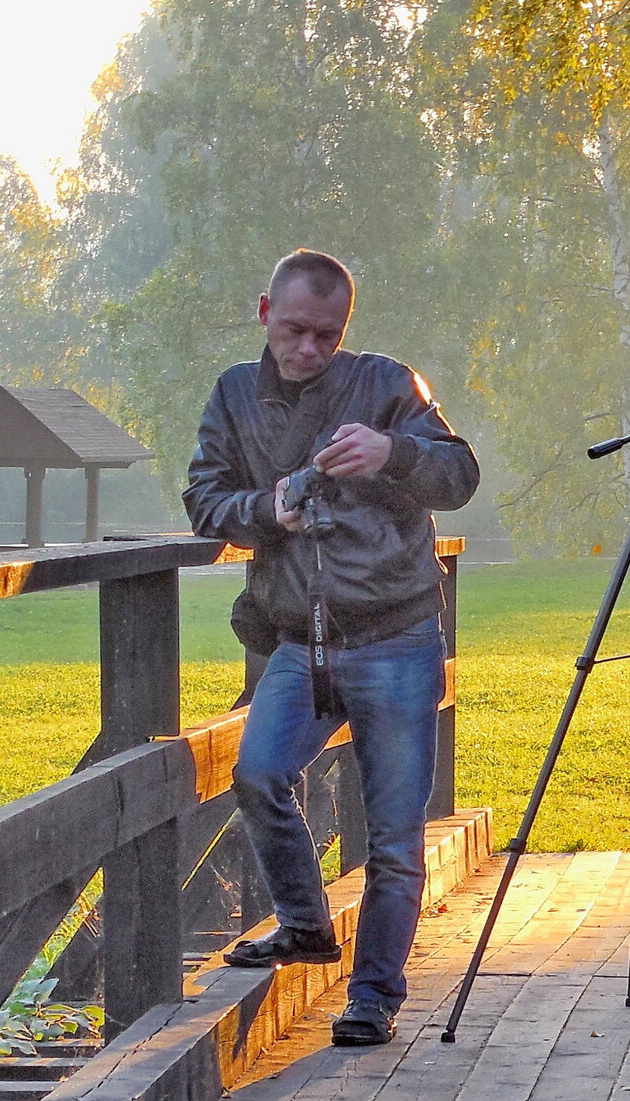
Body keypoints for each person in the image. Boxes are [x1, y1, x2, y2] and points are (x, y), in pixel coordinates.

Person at [183, 249, 479, 1047]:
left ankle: (372, 996)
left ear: (345, 329)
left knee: (392, 836)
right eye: (295, 330)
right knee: (257, 772)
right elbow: (203, 496)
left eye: (327, 333)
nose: (309, 347)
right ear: (264, 314)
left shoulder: (389, 383)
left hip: (398, 637)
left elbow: (460, 474)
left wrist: (395, 453)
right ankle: (307, 924)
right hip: (299, 641)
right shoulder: (234, 395)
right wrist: (266, 506)